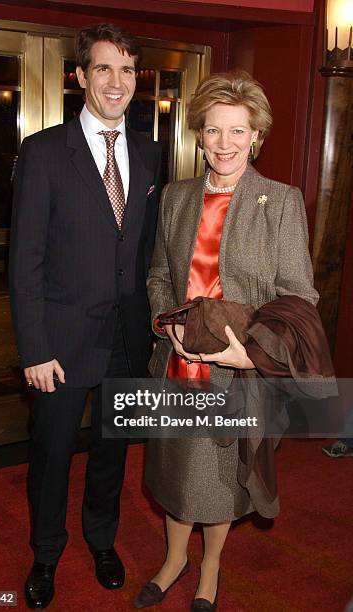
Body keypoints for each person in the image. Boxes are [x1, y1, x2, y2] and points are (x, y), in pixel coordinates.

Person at [134, 71, 319, 611]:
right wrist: (166, 324)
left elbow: (297, 297)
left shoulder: (280, 202)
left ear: (255, 135)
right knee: (172, 472)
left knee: (217, 482)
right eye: (214, 130)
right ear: (199, 134)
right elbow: (158, 277)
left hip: (238, 371)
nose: (225, 144)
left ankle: (210, 566)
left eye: (238, 131)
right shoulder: (175, 196)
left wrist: (250, 353)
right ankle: (174, 560)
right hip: (176, 365)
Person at [9, 23, 161, 610]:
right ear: (80, 77)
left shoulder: (149, 153)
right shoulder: (44, 152)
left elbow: (146, 252)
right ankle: (45, 553)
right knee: (50, 457)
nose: (116, 82)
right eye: (103, 68)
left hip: (126, 339)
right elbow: (25, 263)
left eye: (126, 70)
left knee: (112, 452)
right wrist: (34, 349)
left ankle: (102, 539)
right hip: (60, 343)